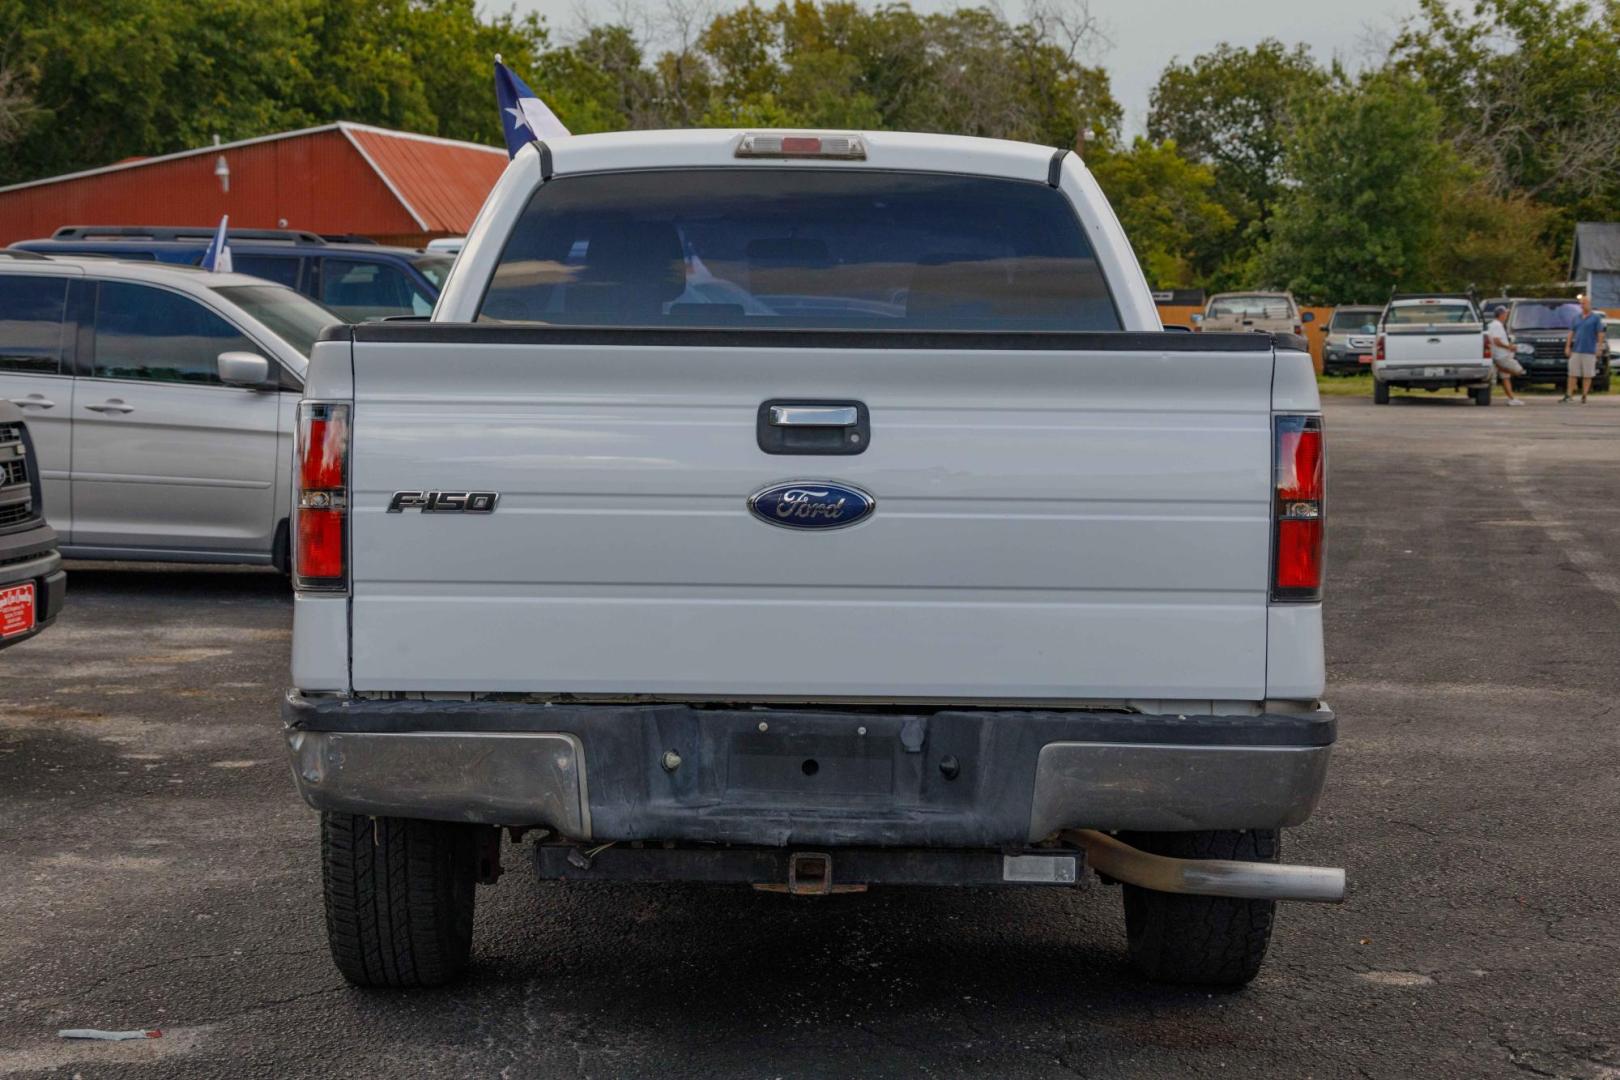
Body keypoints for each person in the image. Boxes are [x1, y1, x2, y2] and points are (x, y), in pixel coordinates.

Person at [1563, 294, 1607, 403]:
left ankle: (1584, 395)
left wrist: (1599, 347)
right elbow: (1571, 333)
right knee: (1572, 373)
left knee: (1587, 374)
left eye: (1584, 303)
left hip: (1589, 350)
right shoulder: (1576, 318)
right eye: (1581, 304)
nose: (1582, 306)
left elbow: (1600, 333)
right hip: (1576, 350)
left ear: (1589, 304)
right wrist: (1568, 346)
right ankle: (1569, 395)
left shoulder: (1595, 318)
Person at [1486, 305, 1525, 405]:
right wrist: (1509, 347)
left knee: (1506, 378)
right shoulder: (1497, 325)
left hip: (1498, 355)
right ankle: (1499, 367)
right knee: (1520, 371)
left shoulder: (1492, 325)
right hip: (1502, 355)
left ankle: (1511, 398)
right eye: (1506, 313)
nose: (1507, 315)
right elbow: (1497, 341)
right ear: (1501, 314)